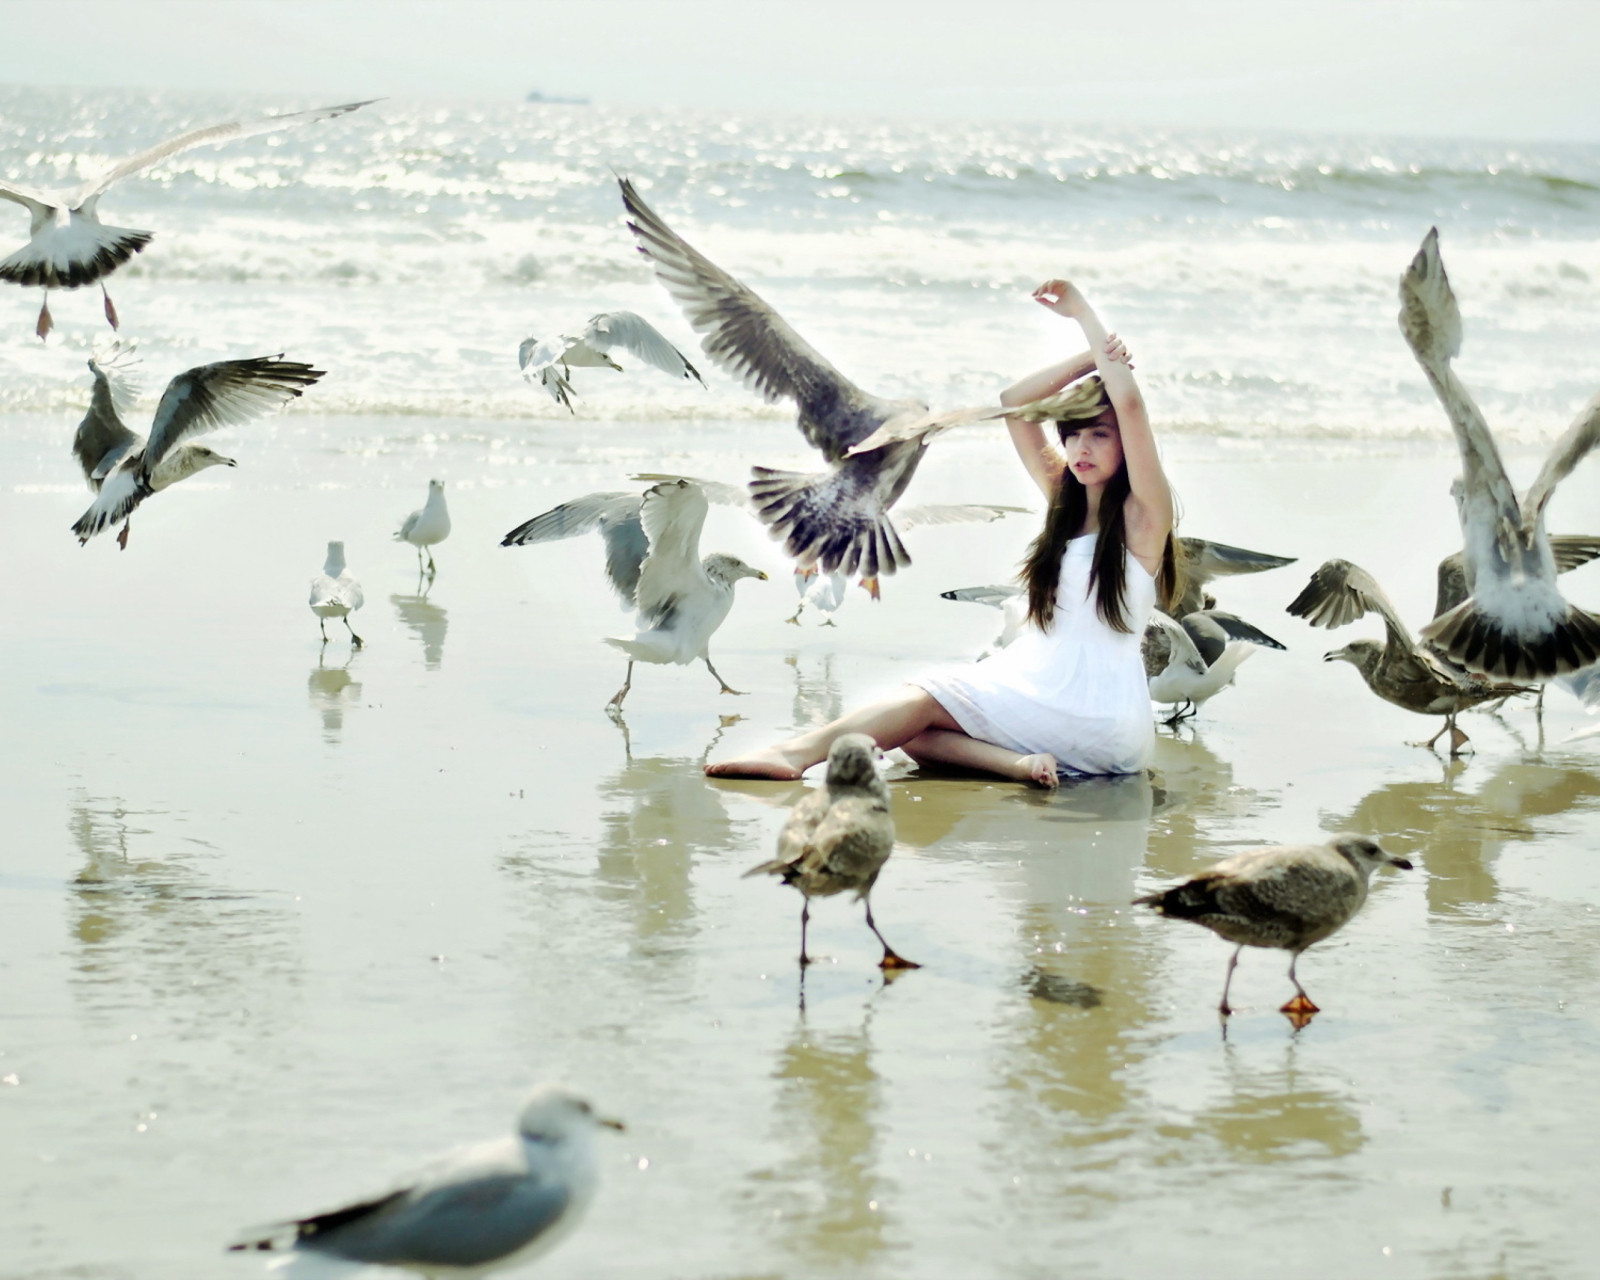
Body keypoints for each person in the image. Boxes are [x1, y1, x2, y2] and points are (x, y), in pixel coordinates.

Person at [705, 279, 1177, 787]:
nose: (1081, 448)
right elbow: (1014, 401)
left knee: (919, 704)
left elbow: (1129, 406)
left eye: (1099, 435)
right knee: (908, 726)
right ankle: (1018, 765)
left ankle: (795, 754)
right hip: (1043, 690)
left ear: (1126, 446)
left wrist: (1085, 315)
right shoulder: (1064, 502)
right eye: (1073, 434)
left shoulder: (1143, 517)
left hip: (1096, 714)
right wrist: (1088, 359)